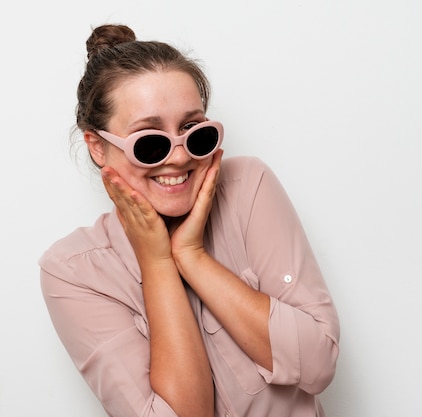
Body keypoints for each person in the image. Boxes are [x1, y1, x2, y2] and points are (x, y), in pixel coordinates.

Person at [39, 24, 340, 417]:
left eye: (192, 131)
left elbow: (318, 365)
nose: (179, 156)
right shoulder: (72, 271)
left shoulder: (248, 186)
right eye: (150, 141)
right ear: (97, 147)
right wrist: (158, 263)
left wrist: (192, 256)